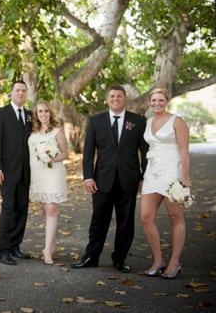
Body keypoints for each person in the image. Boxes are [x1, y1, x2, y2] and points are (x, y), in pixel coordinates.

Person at [72, 85, 147, 273]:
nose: (115, 98)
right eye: (112, 96)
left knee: (125, 222)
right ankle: (91, 257)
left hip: (128, 179)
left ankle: (119, 259)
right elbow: (88, 152)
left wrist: (144, 177)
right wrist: (88, 177)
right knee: (98, 221)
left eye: (119, 96)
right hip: (101, 180)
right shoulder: (96, 121)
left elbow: (145, 152)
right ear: (107, 99)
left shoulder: (138, 121)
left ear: (125, 98)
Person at [139, 88, 191, 279]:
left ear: (166, 101)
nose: (157, 103)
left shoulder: (177, 121)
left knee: (175, 215)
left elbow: (185, 151)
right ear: (150, 102)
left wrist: (185, 179)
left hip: (173, 172)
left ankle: (174, 262)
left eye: (160, 100)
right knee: (146, 216)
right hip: (152, 172)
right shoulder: (149, 122)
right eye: (153, 100)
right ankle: (158, 259)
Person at [0, 81, 32, 265]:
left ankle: (15, 247)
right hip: (7, 172)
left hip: (25, 172)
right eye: (18, 90)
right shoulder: (1, 114)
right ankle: (3, 250)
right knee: (8, 209)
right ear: (11, 93)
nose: (21, 93)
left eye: (24, 90)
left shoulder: (30, 116)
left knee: (22, 209)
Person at [27, 100, 68, 265]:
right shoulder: (33, 134)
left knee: (51, 209)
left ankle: (46, 250)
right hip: (37, 175)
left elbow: (65, 153)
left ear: (50, 113)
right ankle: (52, 243)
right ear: (36, 115)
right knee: (45, 210)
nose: (43, 114)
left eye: (46, 111)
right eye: (40, 112)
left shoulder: (57, 132)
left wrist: (50, 157)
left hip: (53, 173)